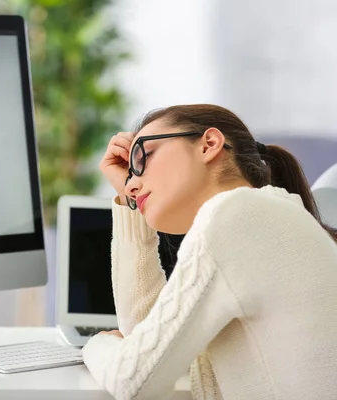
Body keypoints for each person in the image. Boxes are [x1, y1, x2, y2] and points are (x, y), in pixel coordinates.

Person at [82, 104, 337, 400]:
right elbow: (149, 344)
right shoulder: (264, 214)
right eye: (129, 176)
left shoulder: (235, 214)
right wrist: (131, 203)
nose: (132, 183)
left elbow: (133, 379)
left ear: (209, 145)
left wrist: (96, 343)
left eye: (143, 157)